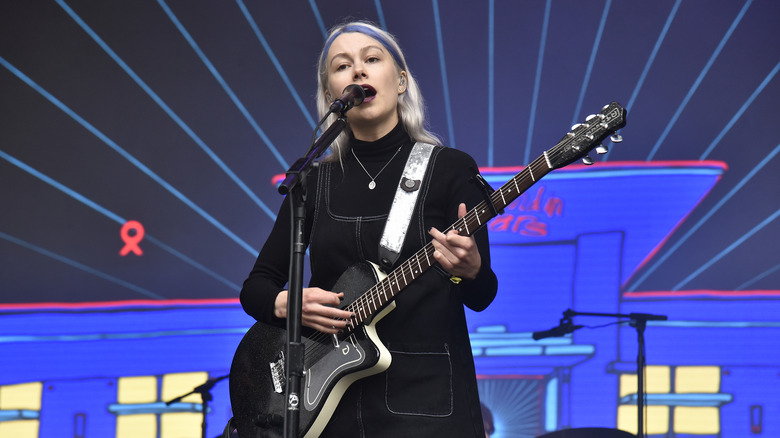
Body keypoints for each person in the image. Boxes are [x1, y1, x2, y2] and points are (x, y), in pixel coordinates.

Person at [239, 20, 498, 437]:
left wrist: (468, 269)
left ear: (400, 81)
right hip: (328, 405)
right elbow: (256, 287)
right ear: (331, 96)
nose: (357, 71)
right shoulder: (312, 181)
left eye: (371, 59)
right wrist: (288, 305)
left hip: (427, 404)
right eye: (342, 66)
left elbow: (482, 293)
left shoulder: (448, 168)